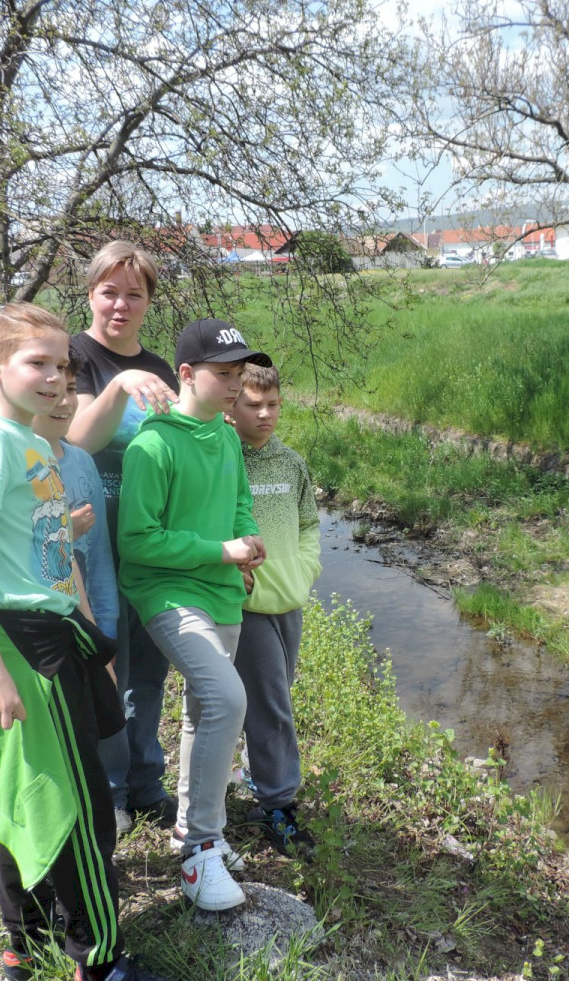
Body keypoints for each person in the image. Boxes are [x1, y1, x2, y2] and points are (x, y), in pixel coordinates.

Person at [0, 302, 165, 981]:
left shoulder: (33, 442)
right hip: (28, 645)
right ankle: (100, 960)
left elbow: (33, 545)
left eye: (63, 365)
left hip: (59, 631)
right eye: (37, 362)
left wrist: (90, 623)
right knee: (81, 808)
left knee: (27, 791)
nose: (55, 378)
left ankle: (27, 936)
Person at [117, 318, 269, 911]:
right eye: (223, 373)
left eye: (239, 373)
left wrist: (247, 537)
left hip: (222, 589)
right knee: (228, 698)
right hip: (168, 593)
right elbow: (137, 542)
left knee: (204, 710)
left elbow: (239, 501)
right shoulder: (152, 445)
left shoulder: (226, 436)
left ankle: (190, 825)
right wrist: (220, 551)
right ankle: (201, 850)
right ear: (186, 373)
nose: (235, 385)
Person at [66, 241, 179, 832]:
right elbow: (78, 439)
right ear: (91, 294)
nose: (121, 305)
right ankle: (107, 790)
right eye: (109, 291)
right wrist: (118, 386)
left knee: (150, 670)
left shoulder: (162, 368)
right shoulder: (73, 356)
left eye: (134, 294)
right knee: (106, 668)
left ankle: (146, 781)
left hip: (150, 542)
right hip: (90, 541)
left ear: (148, 302)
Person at [224, 362, 321, 856]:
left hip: (289, 599)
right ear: (231, 405)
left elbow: (309, 524)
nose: (265, 414)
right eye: (253, 404)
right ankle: (277, 805)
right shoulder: (223, 458)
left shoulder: (291, 463)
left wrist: (303, 570)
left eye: (273, 404)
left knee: (274, 692)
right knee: (271, 703)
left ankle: (250, 773)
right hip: (245, 604)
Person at [32, 365, 127, 798]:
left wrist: (107, 626)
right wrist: (63, 532)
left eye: (72, 389)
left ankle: (112, 793)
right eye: (52, 391)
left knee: (104, 705)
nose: (64, 401)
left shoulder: (83, 462)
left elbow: (100, 554)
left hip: (91, 616)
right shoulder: (19, 464)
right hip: (43, 627)